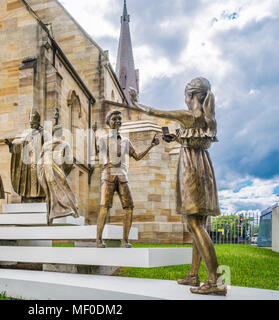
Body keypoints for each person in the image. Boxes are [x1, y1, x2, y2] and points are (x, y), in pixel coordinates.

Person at [130, 77, 227, 296]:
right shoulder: (207, 119)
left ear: (191, 96)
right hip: (203, 166)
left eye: (186, 95)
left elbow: (155, 112)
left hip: (191, 168)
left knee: (193, 224)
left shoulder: (187, 116)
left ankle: (216, 281)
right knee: (198, 224)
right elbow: (193, 138)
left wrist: (136, 101)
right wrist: (176, 137)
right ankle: (194, 275)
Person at [95, 110, 159, 248]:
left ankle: (125, 240)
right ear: (108, 121)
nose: (118, 121)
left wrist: (151, 145)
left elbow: (137, 156)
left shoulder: (125, 140)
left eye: (119, 119)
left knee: (129, 206)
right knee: (105, 206)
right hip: (108, 175)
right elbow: (101, 154)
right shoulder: (102, 139)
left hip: (122, 175)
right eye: (114, 118)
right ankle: (99, 240)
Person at [37, 125, 79, 226]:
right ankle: (68, 210)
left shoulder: (46, 145)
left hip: (46, 172)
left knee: (50, 194)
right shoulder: (65, 144)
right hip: (58, 172)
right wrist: (64, 172)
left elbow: (39, 161)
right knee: (62, 191)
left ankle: (50, 216)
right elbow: (69, 162)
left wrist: (41, 174)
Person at [5, 110, 50, 202]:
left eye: (33, 124)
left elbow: (50, 145)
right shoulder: (26, 134)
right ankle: (27, 197)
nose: (32, 126)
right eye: (31, 124)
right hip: (28, 165)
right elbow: (20, 145)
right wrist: (11, 145)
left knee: (40, 180)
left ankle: (40, 197)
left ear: (38, 123)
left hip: (39, 162)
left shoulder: (44, 134)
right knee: (27, 181)